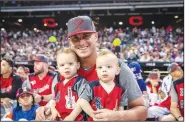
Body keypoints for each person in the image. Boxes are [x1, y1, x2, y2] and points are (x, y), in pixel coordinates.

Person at [36, 15, 147, 121]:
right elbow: (56, 105)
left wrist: (117, 115)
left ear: (96, 36)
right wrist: (45, 110)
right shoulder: (62, 74)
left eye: (86, 36)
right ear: (69, 42)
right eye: (75, 38)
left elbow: (142, 112)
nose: (82, 42)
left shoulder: (116, 66)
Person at [64, 49, 126, 121]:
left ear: (117, 70)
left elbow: (121, 110)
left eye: (108, 67)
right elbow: (82, 101)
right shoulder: (92, 86)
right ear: (96, 71)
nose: (104, 70)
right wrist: (94, 115)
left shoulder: (121, 90)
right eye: (100, 67)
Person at [41, 48, 89, 121]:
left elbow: (83, 102)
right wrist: (53, 109)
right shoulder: (58, 85)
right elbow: (54, 100)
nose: (66, 67)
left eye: (70, 64)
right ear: (58, 68)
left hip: (76, 119)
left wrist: (71, 117)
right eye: (62, 65)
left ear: (77, 65)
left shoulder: (80, 82)